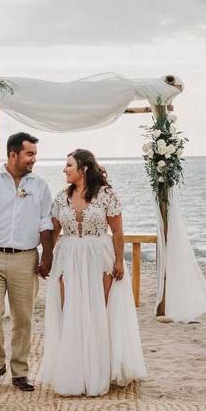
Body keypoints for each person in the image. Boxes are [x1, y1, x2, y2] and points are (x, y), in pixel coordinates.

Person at [38, 149, 147, 396]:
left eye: (69, 165)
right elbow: (54, 232)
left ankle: (99, 372)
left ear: (83, 168)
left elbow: (118, 232)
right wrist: (46, 260)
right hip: (68, 257)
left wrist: (119, 261)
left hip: (100, 256)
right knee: (70, 313)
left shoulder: (106, 195)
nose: (64, 170)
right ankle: (74, 372)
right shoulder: (60, 198)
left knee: (99, 311)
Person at [0, 132, 54, 392]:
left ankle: (19, 372)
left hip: (26, 258)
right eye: (29, 154)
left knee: (23, 318)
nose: (33, 160)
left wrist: (47, 257)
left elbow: (46, 224)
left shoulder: (40, 185)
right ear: (13, 154)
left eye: (35, 155)